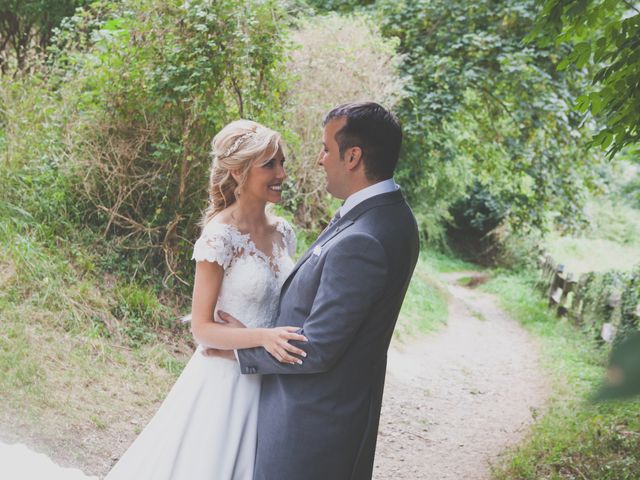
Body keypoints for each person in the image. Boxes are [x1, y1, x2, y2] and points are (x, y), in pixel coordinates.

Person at [213, 102, 420, 480]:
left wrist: (238, 345)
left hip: (310, 426)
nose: (320, 159)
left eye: (326, 148)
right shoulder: (391, 215)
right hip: (331, 414)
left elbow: (318, 347)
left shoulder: (364, 239)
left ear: (353, 156)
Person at [105, 119, 307, 480]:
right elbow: (202, 330)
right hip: (225, 382)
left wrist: (268, 342)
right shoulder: (220, 237)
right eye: (269, 164)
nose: (281, 173)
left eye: (282, 162)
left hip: (271, 380)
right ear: (237, 171)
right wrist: (261, 338)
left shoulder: (285, 234)